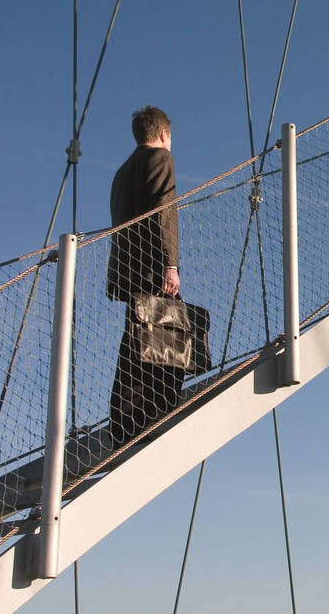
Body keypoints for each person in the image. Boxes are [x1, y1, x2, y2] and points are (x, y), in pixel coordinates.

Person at [106, 105, 183, 445]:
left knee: (137, 340)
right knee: (171, 337)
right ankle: (156, 408)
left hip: (126, 268)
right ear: (164, 134)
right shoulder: (161, 160)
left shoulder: (121, 172)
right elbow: (164, 211)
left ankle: (124, 419)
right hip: (153, 267)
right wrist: (171, 265)